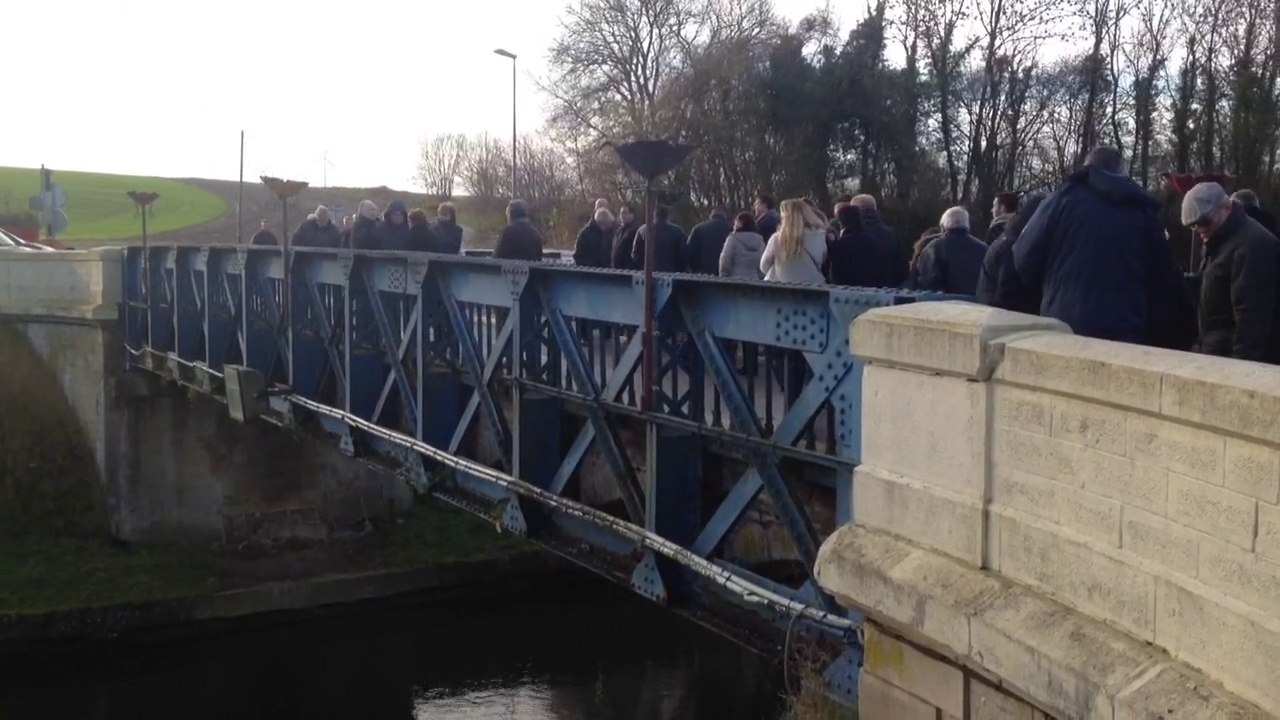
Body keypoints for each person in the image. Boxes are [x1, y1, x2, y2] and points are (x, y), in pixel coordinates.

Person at [1012, 146, 1194, 348]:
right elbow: (1163, 275)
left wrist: (1050, 287)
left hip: (1063, 325)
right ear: (1121, 172)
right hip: (1125, 328)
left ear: (1086, 168)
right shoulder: (1143, 209)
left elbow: (1023, 258)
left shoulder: (1059, 200)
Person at [1183, 182, 1280, 362]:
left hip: (1233, 359)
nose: (1200, 231)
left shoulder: (1252, 245)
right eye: (1194, 226)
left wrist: (1239, 368)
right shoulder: (1218, 241)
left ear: (1226, 208)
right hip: (1216, 353)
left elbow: (1251, 318)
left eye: (1204, 222)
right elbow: (1212, 289)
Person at [976, 194, 1046, 314]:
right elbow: (1007, 294)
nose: (991, 210)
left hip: (990, 310)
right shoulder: (1014, 244)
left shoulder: (1008, 237)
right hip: (1002, 315)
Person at [910, 207, 987, 294]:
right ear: (967, 225)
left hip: (943, 300)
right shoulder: (984, 249)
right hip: (976, 300)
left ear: (943, 227)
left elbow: (923, 281)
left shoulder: (933, 248)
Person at [760, 198, 827, 284]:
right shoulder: (819, 236)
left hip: (781, 287)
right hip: (812, 285)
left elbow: (764, 267)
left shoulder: (777, 239)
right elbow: (821, 260)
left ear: (785, 218)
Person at [825, 204, 892, 287]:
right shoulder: (873, 241)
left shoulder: (841, 244)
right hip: (874, 287)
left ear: (841, 222)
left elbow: (836, 272)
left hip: (848, 289)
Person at [850, 194, 908, 287]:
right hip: (888, 288)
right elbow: (902, 268)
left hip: (856, 290)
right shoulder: (892, 234)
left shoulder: (851, 235)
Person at [631, 205, 686, 272]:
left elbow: (635, 254)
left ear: (654, 215)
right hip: (671, 272)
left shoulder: (643, 230)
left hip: (648, 272)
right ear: (667, 216)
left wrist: (643, 267)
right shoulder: (678, 232)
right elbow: (684, 255)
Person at [686, 207, 733, 275]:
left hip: (703, 271)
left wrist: (695, 269)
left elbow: (690, 252)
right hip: (727, 273)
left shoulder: (698, 228)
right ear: (725, 216)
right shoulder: (732, 230)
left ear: (711, 216)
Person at [719, 212, 765, 279]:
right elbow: (762, 263)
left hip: (734, 279)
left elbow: (725, 260)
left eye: (735, 224)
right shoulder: (760, 241)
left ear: (739, 224)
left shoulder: (733, 238)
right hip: (754, 279)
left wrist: (724, 276)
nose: (733, 226)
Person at [611, 204, 640, 269]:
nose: (622, 216)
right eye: (621, 213)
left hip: (628, 268)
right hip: (617, 269)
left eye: (625, 213)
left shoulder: (635, 230)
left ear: (631, 215)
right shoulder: (618, 230)